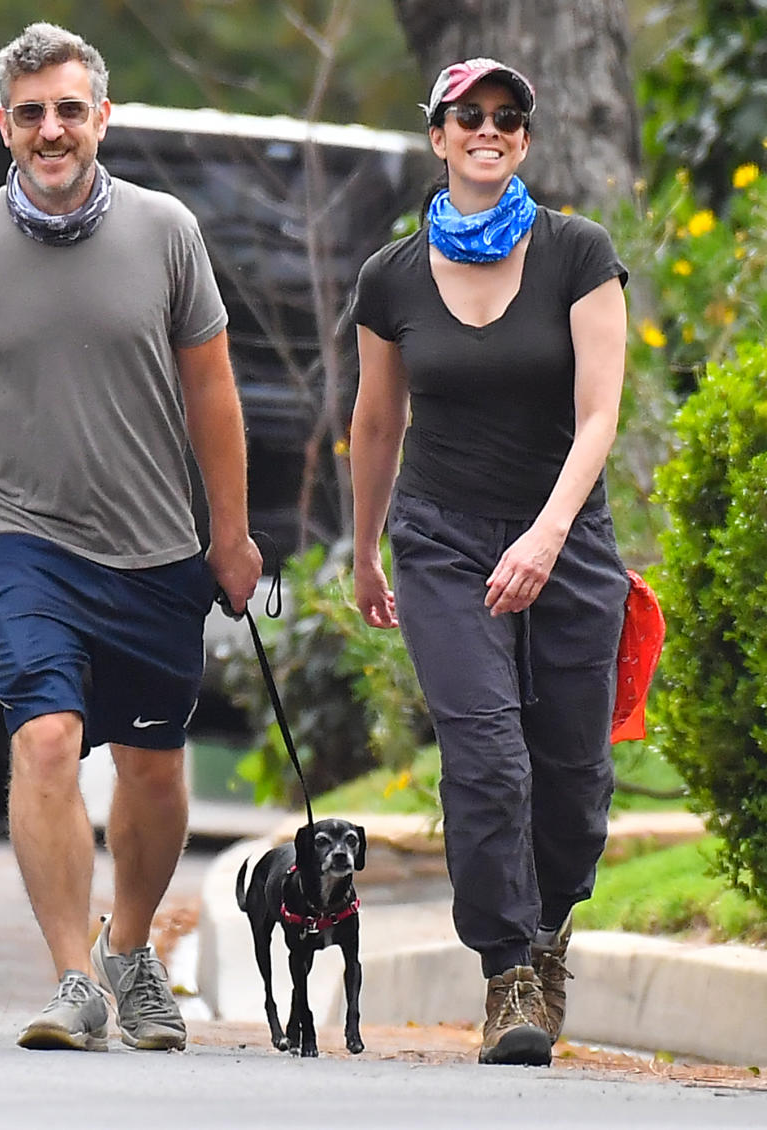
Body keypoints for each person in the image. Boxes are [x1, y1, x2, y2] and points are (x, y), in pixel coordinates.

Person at [0, 22, 262, 1052]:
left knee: (151, 767)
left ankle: (130, 948)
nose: (52, 130)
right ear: (4, 126)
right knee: (45, 738)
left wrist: (230, 532)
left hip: (154, 549)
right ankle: (73, 974)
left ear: (101, 118)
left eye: (69, 109)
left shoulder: (167, 230)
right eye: (32, 113)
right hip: (24, 545)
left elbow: (213, 388)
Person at [348, 58, 630, 1067]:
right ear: (437, 135)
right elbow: (377, 420)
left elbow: (600, 411)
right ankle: (508, 969)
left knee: (570, 771)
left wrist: (549, 533)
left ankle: (550, 930)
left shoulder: (577, 254)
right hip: (440, 538)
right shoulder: (392, 276)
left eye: (508, 118)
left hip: (566, 535)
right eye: (470, 115)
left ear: (523, 138)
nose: (490, 130)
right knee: (485, 753)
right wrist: (366, 545)